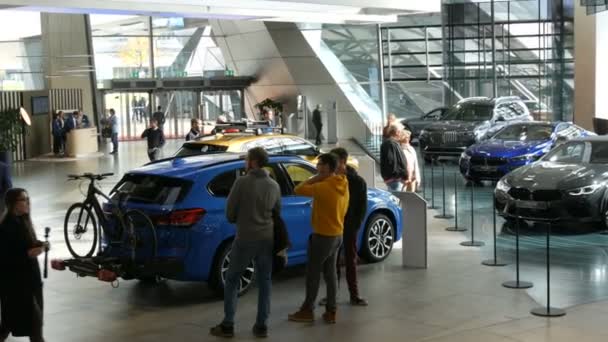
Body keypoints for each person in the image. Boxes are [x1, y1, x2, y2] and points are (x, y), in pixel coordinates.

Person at [210, 147, 281, 339]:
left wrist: (241, 218)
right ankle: (261, 325)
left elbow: (230, 213)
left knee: (232, 280)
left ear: (253, 162)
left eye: (247, 159)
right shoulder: (274, 185)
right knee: (265, 281)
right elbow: (277, 211)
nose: (245, 162)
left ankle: (228, 324)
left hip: (245, 238)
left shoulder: (241, 183)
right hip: (267, 239)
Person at [288, 153, 349, 324]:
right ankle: (331, 311)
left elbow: (298, 189)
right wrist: (323, 175)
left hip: (322, 236)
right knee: (330, 274)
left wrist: (317, 177)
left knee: (313, 274)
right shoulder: (343, 183)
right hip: (338, 234)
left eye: (320, 164)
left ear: (328, 167)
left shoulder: (323, 187)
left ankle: (307, 309)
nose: (317, 167)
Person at [321, 147, 368, 306]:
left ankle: (354, 295)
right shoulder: (329, 179)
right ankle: (331, 294)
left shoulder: (357, 181)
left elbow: (362, 207)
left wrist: (354, 226)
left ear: (342, 162)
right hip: (332, 226)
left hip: (348, 228)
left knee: (350, 260)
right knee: (331, 263)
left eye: (334, 161)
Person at [0, 188, 49, 342]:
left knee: (9, 324)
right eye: (23, 199)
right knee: (35, 325)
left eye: (27, 199)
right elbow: (11, 256)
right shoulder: (7, 226)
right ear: (13, 203)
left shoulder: (23, 221)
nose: (27, 203)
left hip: (30, 280)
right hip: (18, 285)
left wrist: (40, 244)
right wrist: (35, 251)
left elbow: (27, 244)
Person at [380, 123, 408, 191]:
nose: (402, 134)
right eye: (401, 132)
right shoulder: (390, 144)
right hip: (395, 179)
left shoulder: (393, 143)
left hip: (396, 179)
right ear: (397, 132)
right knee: (396, 198)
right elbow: (391, 161)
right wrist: (399, 175)